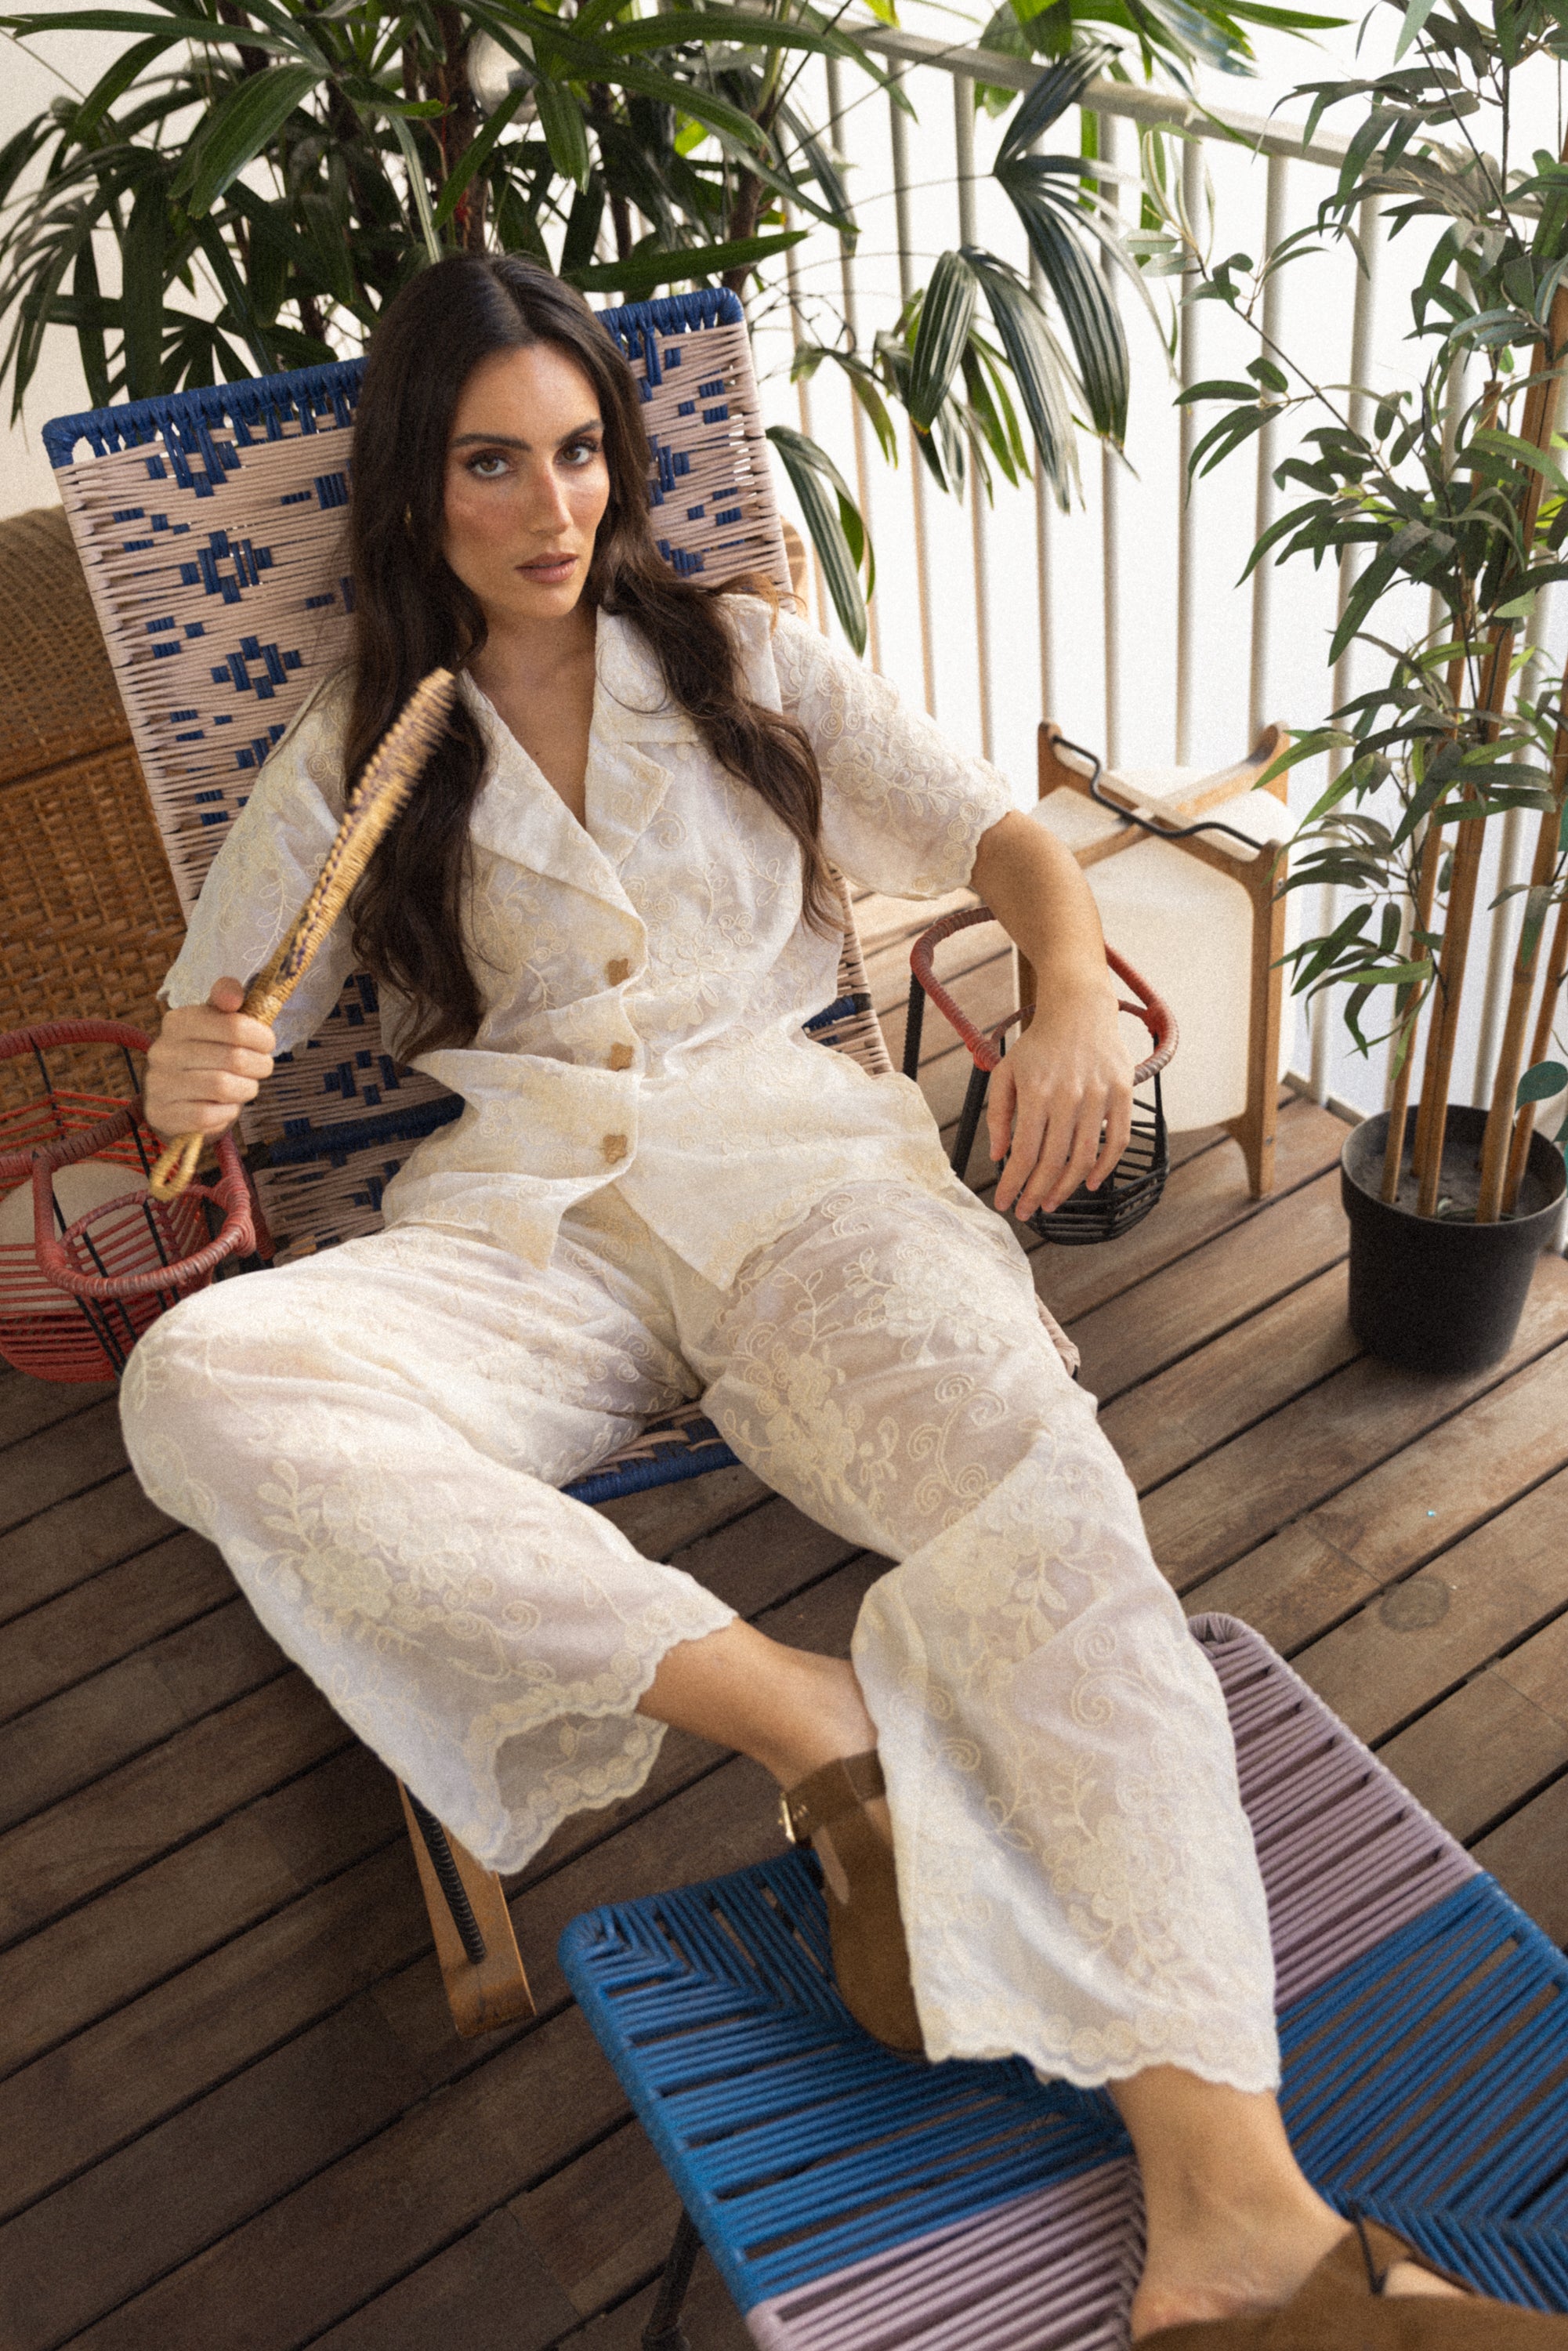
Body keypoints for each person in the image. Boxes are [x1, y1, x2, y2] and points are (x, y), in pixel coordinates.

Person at [120, 255, 1516, 2346]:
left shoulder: (744, 655)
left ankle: (1235, 2219)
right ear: (413, 487)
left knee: (1047, 1502)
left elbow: (1003, 842)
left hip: (807, 1187)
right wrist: (188, 1074)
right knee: (204, 1374)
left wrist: (1068, 992)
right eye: (492, 463)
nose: (551, 507)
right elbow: (221, 1024)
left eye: (579, 451)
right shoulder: (362, 748)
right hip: (531, 1228)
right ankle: (809, 1720)